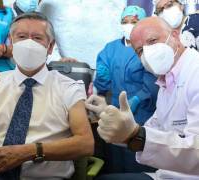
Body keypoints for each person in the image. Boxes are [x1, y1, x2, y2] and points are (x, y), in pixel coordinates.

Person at [0, 12, 94, 180]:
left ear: (50, 46)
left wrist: (31, 151)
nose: (28, 43)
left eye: (37, 38)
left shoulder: (68, 87)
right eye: (22, 37)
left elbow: (85, 144)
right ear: (11, 41)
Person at [86, 16, 199, 179]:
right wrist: (115, 120)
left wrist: (134, 134)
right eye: (140, 51)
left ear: (175, 36)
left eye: (152, 41)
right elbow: (152, 130)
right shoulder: (166, 82)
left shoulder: (195, 72)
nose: (148, 53)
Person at [89, 5, 158, 174]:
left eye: (134, 21)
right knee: (115, 160)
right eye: (124, 21)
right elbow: (103, 82)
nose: (129, 25)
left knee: (138, 158)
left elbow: (153, 83)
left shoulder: (148, 48)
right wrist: (101, 80)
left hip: (143, 114)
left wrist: (136, 100)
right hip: (113, 110)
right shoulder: (110, 48)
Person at [38, 0, 126, 69]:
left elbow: (128, 33)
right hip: (66, 72)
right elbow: (40, 34)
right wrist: (56, 61)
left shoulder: (120, 3)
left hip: (112, 72)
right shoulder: (50, 3)